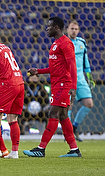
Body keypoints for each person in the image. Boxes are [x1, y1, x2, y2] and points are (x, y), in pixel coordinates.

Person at [23, 16, 82, 158]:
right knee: (62, 116)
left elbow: (72, 65)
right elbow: (55, 67)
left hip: (64, 85)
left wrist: (72, 87)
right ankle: (74, 149)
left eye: (49, 26)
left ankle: (41, 148)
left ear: (56, 27)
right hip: (56, 85)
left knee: (53, 113)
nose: (47, 29)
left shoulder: (66, 43)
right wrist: (39, 71)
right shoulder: (56, 43)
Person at [67, 20, 95, 142]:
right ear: (67, 30)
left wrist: (89, 77)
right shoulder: (64, 43)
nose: (74, 31)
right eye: (72, 29)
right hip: (68, 78)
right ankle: (67, 133)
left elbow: (86, 62)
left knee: (89, 103)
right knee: (68, 106)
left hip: (81, 78)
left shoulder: (82, 43)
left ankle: (74, 127)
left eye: (76, 29)